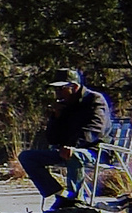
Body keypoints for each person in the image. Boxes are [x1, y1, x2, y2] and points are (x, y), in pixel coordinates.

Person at [20, 70, 112, 203]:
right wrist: (56, 117)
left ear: (74, 87)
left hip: (96, 151)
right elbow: (53, 138)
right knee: (27, 157)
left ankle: (74, 199)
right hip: (65, 151)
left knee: (74, 154)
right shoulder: (65, 104)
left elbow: (95, 130)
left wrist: (73, 146)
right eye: (55, 89)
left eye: (61, 89)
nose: (57, 93)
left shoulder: (95, 100)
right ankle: (61, 194)